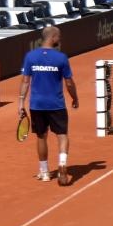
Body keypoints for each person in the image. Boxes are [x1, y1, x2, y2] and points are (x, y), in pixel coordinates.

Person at [19, 25, 79, 186]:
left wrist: (20, 102)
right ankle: (62, 164)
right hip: (56, 104)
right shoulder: (61, 58)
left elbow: (25, 81)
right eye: (58, 36)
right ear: (52, 38)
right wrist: (75, 98)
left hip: (37, 105)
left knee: (41, 136)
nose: (60, 39)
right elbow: (69, 83)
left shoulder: (30, 56)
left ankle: (44, 172)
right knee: (62, 135)